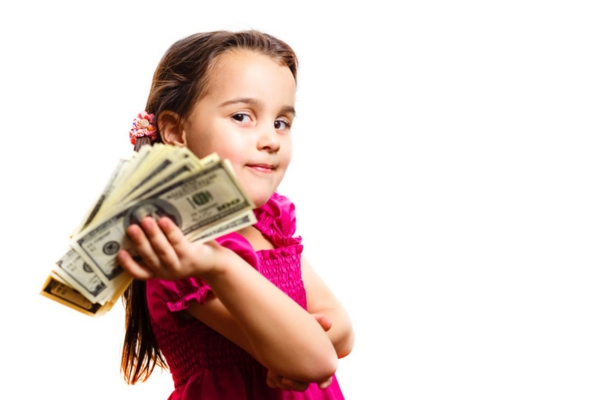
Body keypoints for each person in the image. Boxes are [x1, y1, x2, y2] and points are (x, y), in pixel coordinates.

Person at [116, 30, 354, 400]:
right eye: (242, 116)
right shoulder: (184, 254)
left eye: (281, 122)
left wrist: (297, 342)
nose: (271, 139)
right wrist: (218, 265)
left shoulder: (269, 225)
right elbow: (313, 362)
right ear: (176, 130)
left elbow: (341, 330)